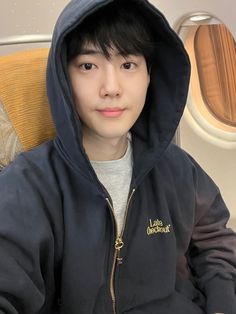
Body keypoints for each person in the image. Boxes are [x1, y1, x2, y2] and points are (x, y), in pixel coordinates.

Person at [0, 0, 235, 313]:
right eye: (88, 66)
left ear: (149, 76)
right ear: (63, 79)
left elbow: (215, 241)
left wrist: (222, 304)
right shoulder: (26, 186)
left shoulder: (178, 168)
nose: (111, 88)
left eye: (128, 65)